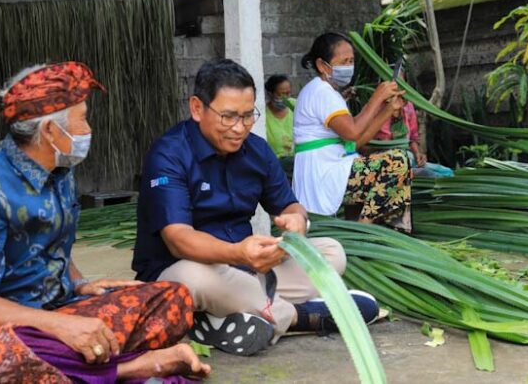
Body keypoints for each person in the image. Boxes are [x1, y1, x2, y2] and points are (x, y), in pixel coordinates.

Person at [0, 62, 210, 384]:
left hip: (60, 307)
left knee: (172, 298)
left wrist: (80, 284)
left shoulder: (60, 171)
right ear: (50, 130)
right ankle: (132, 368)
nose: (88, 129)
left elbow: (52, 239)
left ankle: (80, 365)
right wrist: (59, 326)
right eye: (82, 119)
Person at [133, 59, 379, 357]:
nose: (239, 128)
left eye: (248, 116)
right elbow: (178, 239)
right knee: (193, 279)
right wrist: (237, 252)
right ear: (197, 108)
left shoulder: (257, 150)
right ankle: (302, 316)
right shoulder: (169, 154)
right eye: (228, 117)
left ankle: (230, 316)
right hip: (182, 274)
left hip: (248, 271)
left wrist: (296, 224)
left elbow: (290, 205)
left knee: (331, 252)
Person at [292, 32, 413, 232]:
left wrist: (388, 109)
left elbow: (355, 142)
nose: (349, 66)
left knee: (374, 163)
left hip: (331, 166)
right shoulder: (321, 92)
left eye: (351, 61)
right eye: (344, 61)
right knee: (397, 161)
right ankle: (362, 234)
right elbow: (352, 133)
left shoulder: (327, 92)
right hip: (323, 171)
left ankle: (359, 231)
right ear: (323, 66)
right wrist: (377, 98)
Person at [373, 70, 453, 179]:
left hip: (408, 156)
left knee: (447, 173)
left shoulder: (408, 106)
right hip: (388, 159)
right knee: (431, 175)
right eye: (392, 82)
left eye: (400, 83)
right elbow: (371, 141)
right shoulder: (377, 107)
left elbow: (412, 138)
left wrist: (418, 154)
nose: (396, 86)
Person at [265, 74, 295, 158]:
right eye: (281, 94)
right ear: (270, 94)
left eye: (288, 93)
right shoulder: (264, 115)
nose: (286, 98)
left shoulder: (296, 106)